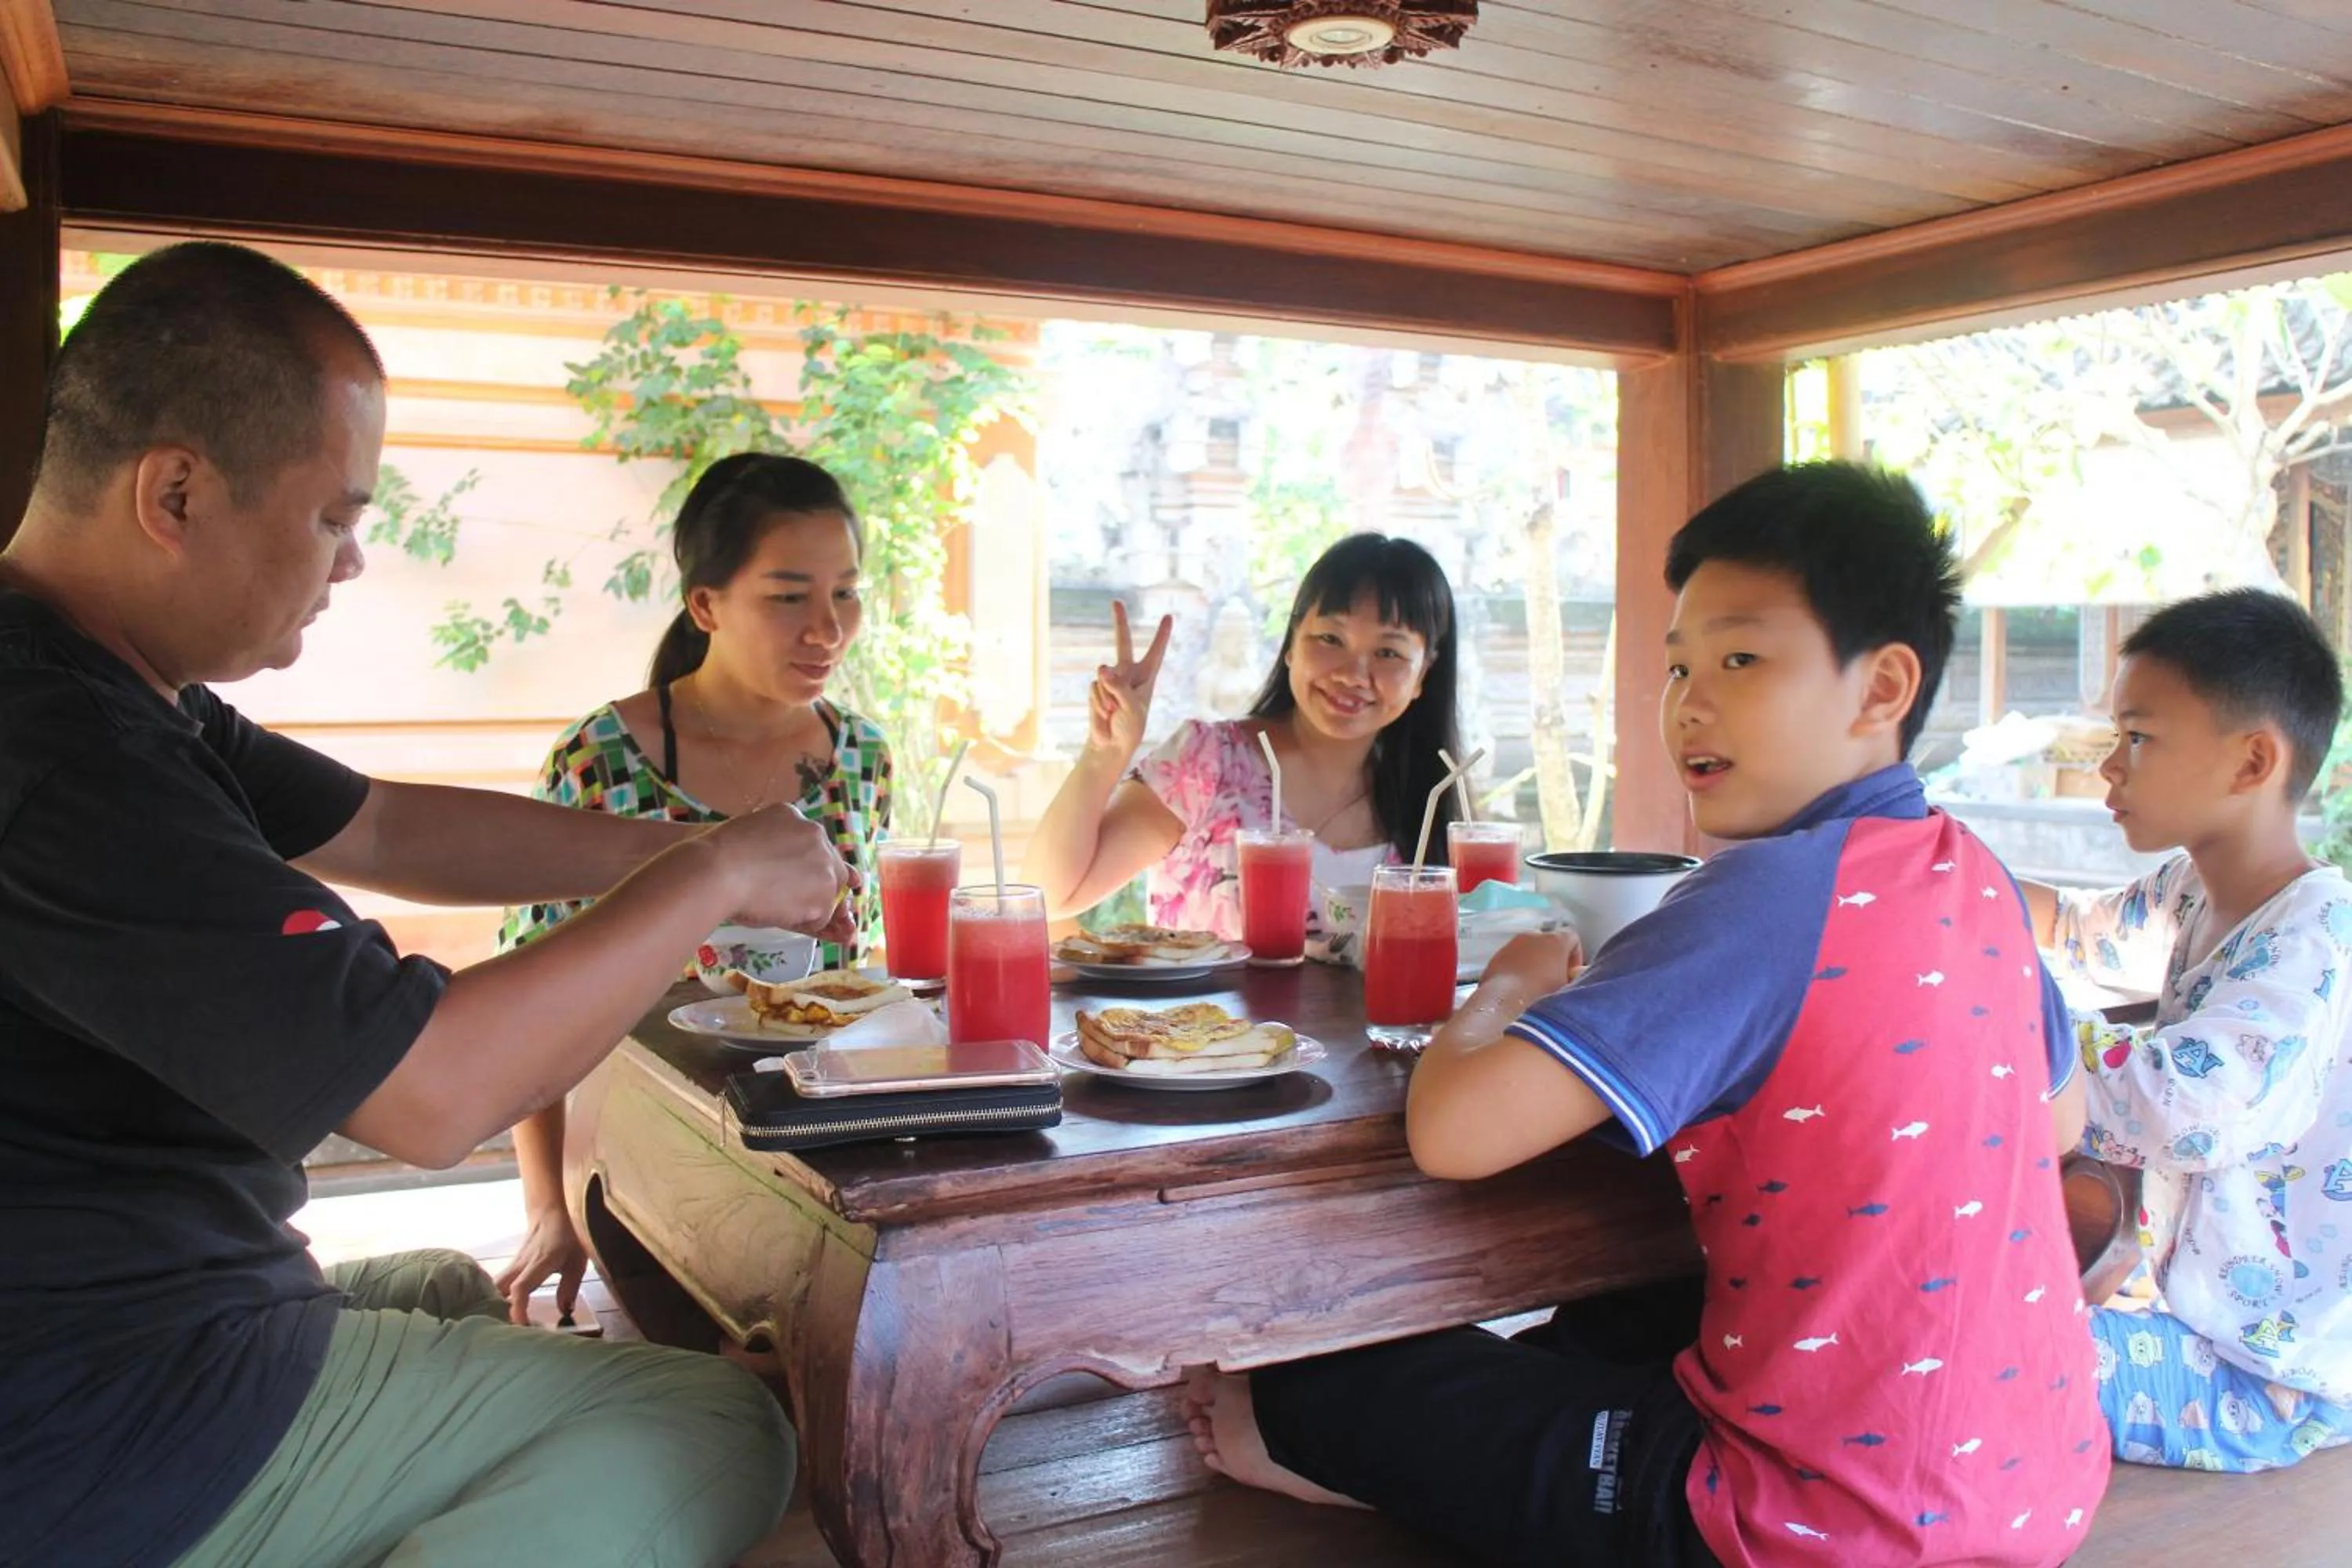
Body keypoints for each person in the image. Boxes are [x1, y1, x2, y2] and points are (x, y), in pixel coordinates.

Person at [0, 242, 851, 1567]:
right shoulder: (62, 752)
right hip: (101, 1421)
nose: (348, 561)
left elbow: (388, 824)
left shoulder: (113, 687)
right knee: (711, 1427)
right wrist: (716, 875)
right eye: (336, 515)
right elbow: (431, 1095)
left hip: (144, 1301)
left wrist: (690, 841)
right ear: (175, 490)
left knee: (453, 1291)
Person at [1185, 463, 2111, 1566]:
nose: (1690, 701)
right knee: (1629, 1314)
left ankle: (1324, 1462)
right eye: (1678, 664)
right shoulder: (1979, 878)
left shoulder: (1764, 897)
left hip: (1795, 1528)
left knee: (1310, 1376)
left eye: (1740, 659)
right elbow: (2057, 1127)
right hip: (2030, 1492)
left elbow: (1455, 1132)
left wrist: (1512, 987)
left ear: (1882, 688)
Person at [493, 453, 892, 1325]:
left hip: (820, 1133)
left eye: (846, 592)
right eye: (789, 596)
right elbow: (534, 991)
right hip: (640, 1141)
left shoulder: (861, 756)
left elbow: (855, 972)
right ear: (706, 604)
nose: (827, 627)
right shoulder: (605, 760)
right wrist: (547, 1209)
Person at [2020, 588, 2352, 1474]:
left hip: (2268, 1372)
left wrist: (2009, 1021)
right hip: (2190, 1308)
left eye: (2139, 736)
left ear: (2252, 761)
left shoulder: (2315, 934)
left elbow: (2188, 1104)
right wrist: (1951, 888)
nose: (2109, 768)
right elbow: (2082, 926)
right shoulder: (2196, 888)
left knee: (1976, 1355)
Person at [1025, 533, 1464, 942]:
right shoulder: (1210, 763)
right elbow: (1052, 895)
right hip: (1202, 1025)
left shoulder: (1426, 798)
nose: (1353, 674)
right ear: (1291, 645)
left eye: (1388, 652)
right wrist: (1105, 753)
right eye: (1330, 639)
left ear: (1424, 672)